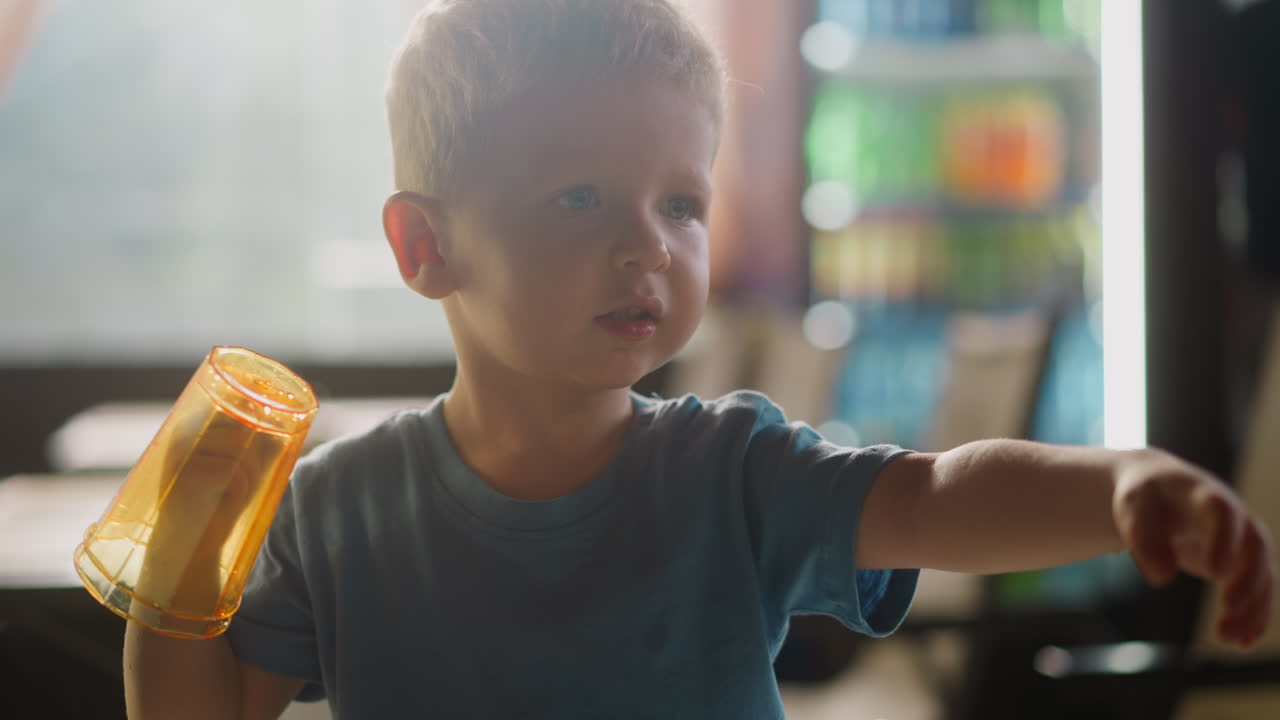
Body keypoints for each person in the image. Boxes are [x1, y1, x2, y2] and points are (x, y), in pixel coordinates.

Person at [123, 0, 1277, 717]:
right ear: (426, 247)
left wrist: (1119, 482)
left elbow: (933, 498)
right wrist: (171, 576)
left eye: (681, 202)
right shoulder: (332, 512)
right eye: (579, 197)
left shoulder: (735, 470)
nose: (647, 245)